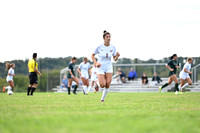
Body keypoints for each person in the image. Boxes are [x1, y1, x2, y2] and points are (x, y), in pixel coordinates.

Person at [91, 30, 120, 102]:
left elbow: (114, 59)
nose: (109, 38)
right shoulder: (99, 46)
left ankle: (102, 99)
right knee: (102, 84)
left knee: (108, 83)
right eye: (107, 37)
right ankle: (96, 83)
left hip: (109, 66)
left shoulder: (113, 47)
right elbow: (92, 55)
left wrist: (117, 56)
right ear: (104, 38)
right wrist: (96, 63)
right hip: (100, 66)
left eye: (109, 37)